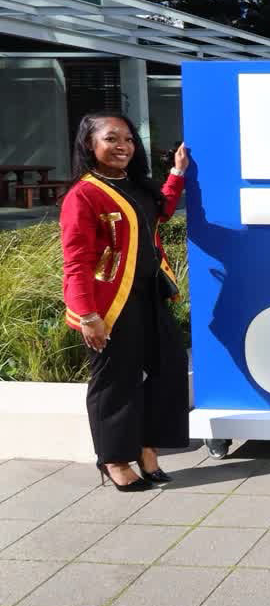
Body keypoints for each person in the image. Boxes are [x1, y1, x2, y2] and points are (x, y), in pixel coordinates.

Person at [60, 112, 191, 492]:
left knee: (169, 367)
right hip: (109, 305)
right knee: (115, 381)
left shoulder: (134, 184)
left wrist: (177, 173)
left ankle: (147, 447)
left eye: (129, 139)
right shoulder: (82, 194)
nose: (123, 146)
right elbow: (76, 261)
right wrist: (87, 315)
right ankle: (115, 458)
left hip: (150, 293)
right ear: (90, 145)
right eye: (111, 139)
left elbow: (161, 212)